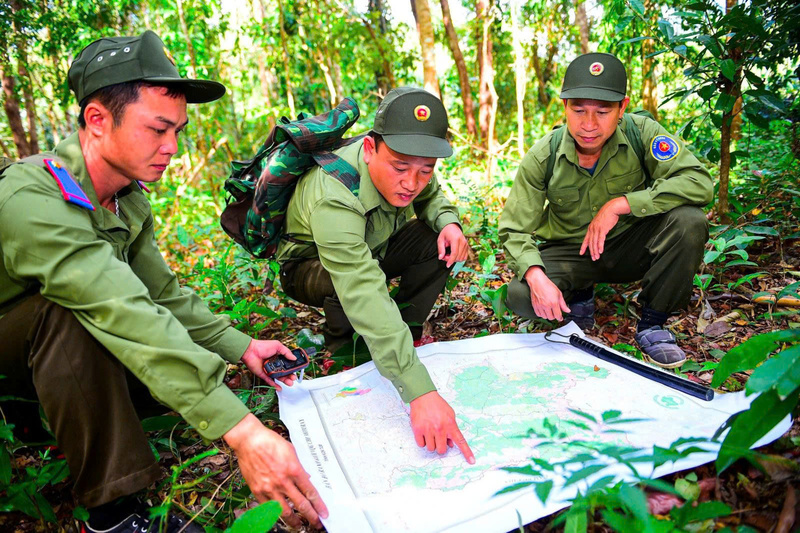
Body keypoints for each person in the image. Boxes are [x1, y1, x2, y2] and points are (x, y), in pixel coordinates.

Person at [0, 31, 327, 532]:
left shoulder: (126, 199)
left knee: (163, 380)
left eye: (178, 130)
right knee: (66, 311)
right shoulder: (32, 197)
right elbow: (119, 306)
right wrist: (242, 432)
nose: (171, 147)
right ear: (97, 120)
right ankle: (113, 516)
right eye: (157, 129)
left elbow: (161, 294)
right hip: (15, 355)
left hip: (53, 356)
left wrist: (242, 347)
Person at [276, 87, 475, 464]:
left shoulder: (412, 166)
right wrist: (419, 392)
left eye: (425, 169)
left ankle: (406, 334)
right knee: (354, 286)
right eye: (400, 168)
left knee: (435, 239)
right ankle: (342, 354)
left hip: (373, 250)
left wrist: (449, 223)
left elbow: (431, 196)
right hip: (310, 266)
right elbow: (362, 286)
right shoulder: (335, 194)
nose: (411, 182)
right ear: (370, 149)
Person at [499, 52, 713, 368]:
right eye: (579, 110)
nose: (589, 125)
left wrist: (622, 204)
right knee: (520, 293)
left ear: (622, 108)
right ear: (565, 108)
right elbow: (514, 228)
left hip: (632, 247)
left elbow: (698, 182)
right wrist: (534, 274)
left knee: (689, 221)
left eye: (602, 111)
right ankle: (580, 296)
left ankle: (653, 323)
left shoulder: (643, 133)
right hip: (574, 254)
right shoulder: (544, 155)